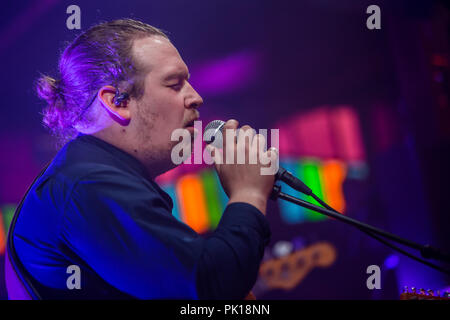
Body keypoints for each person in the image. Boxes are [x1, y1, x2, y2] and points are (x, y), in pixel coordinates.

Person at [10, 19, 277, 299]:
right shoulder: (89, 185)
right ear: (118, 102)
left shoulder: (89, 176)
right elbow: (208, 286)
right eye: (175, 84)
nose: (196, 97)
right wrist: (248, 194)